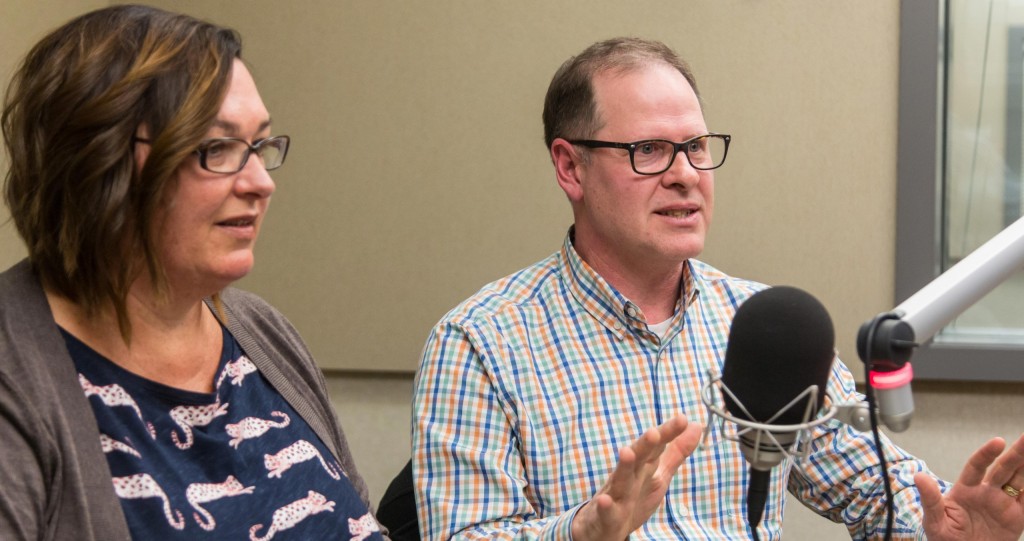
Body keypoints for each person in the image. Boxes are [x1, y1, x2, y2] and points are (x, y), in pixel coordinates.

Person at [411, 37, 1024, 540]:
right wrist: (580, 536)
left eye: (697, 148)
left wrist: (946, 528)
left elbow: (875, 487)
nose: (685, 175)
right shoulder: (479, 343)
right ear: (571, 167)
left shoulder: (763, 325)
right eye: (649, 150)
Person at [0, 6, 387, 540]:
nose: (260, 182)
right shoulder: (17, 377)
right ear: (98, 162)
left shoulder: (262, 332)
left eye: (259, 146)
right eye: (217, 148)